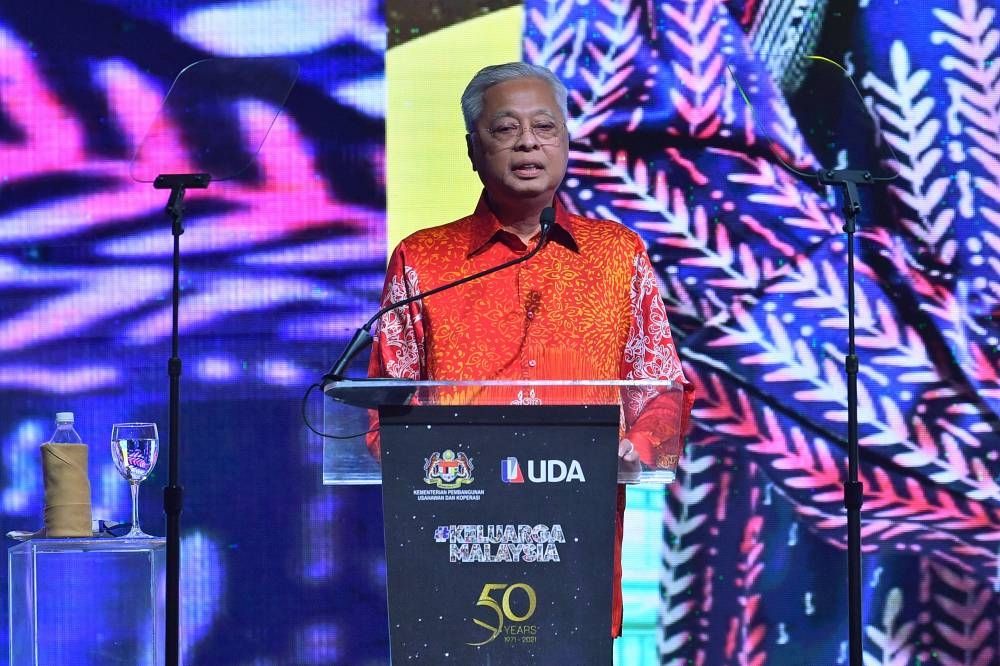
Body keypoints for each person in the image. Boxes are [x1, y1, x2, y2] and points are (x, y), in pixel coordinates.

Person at [368, 61, 695, 637]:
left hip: (578, 537)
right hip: (456, 537)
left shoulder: (617, 253)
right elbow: (382, 410)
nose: (527, 142)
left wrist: (635, 446)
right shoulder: (424, 260)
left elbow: (661, 385)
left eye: (545, 127)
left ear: (566, 142)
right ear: (473, 148)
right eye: (505, 128)